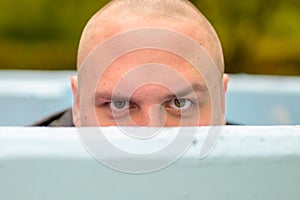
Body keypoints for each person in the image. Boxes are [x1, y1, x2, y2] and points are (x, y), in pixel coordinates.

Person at [34, 0, 230, 127]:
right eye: (118, 105)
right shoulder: (17, 178)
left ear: (221, 103)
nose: (150, 132)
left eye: (180, 103)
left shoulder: (257, 174)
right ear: (77, 104)